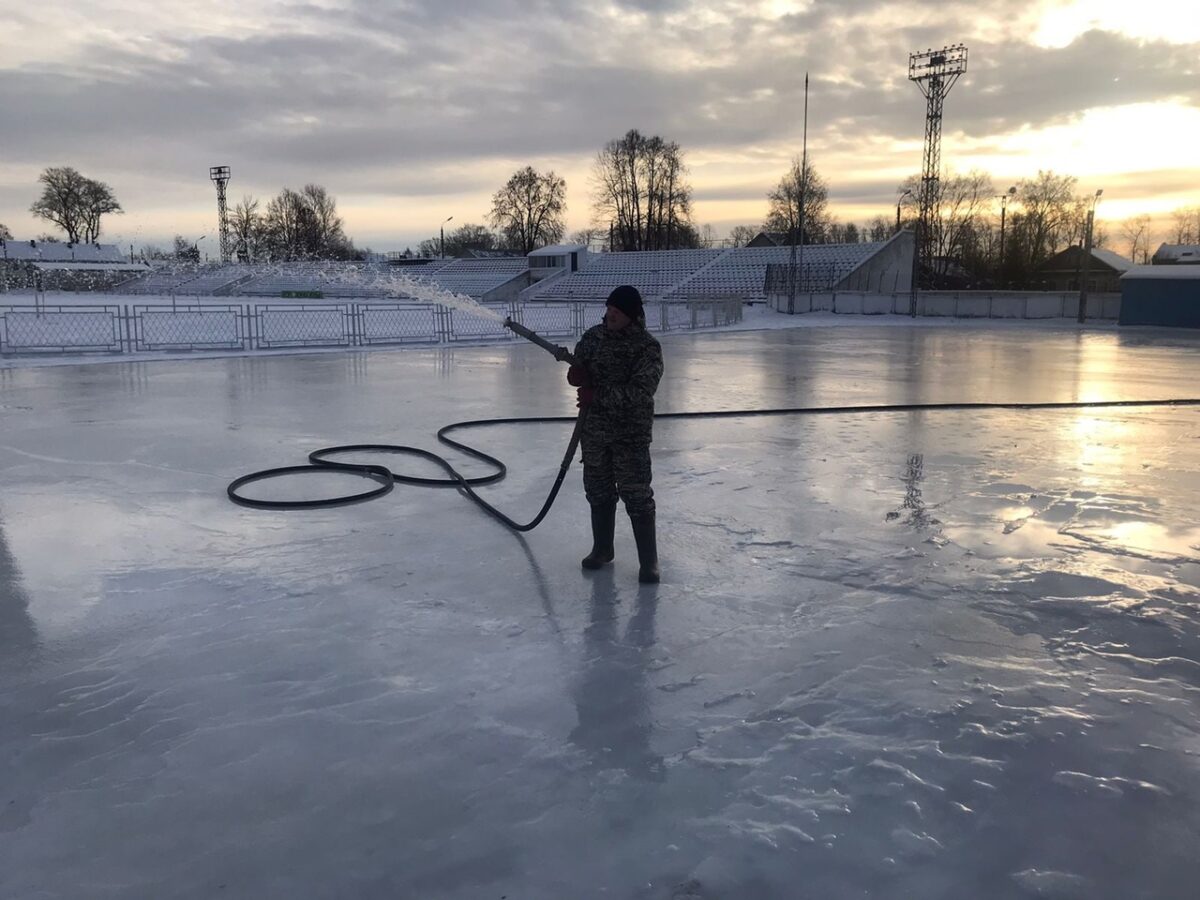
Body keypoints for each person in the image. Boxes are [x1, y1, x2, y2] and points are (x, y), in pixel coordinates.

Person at [567, 285, 663, 583]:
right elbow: (580, 368)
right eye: (609, 309)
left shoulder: (646, 347)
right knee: (598, 491)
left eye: (617, 312)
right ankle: (602, 549)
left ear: (632, 316)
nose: (610, 315)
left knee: (637, 495)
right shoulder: (593, 337)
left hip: (629, 434)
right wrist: (575, 375)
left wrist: (599, 395)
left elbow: (641, 391)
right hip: (594, 432)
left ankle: (649, 563)